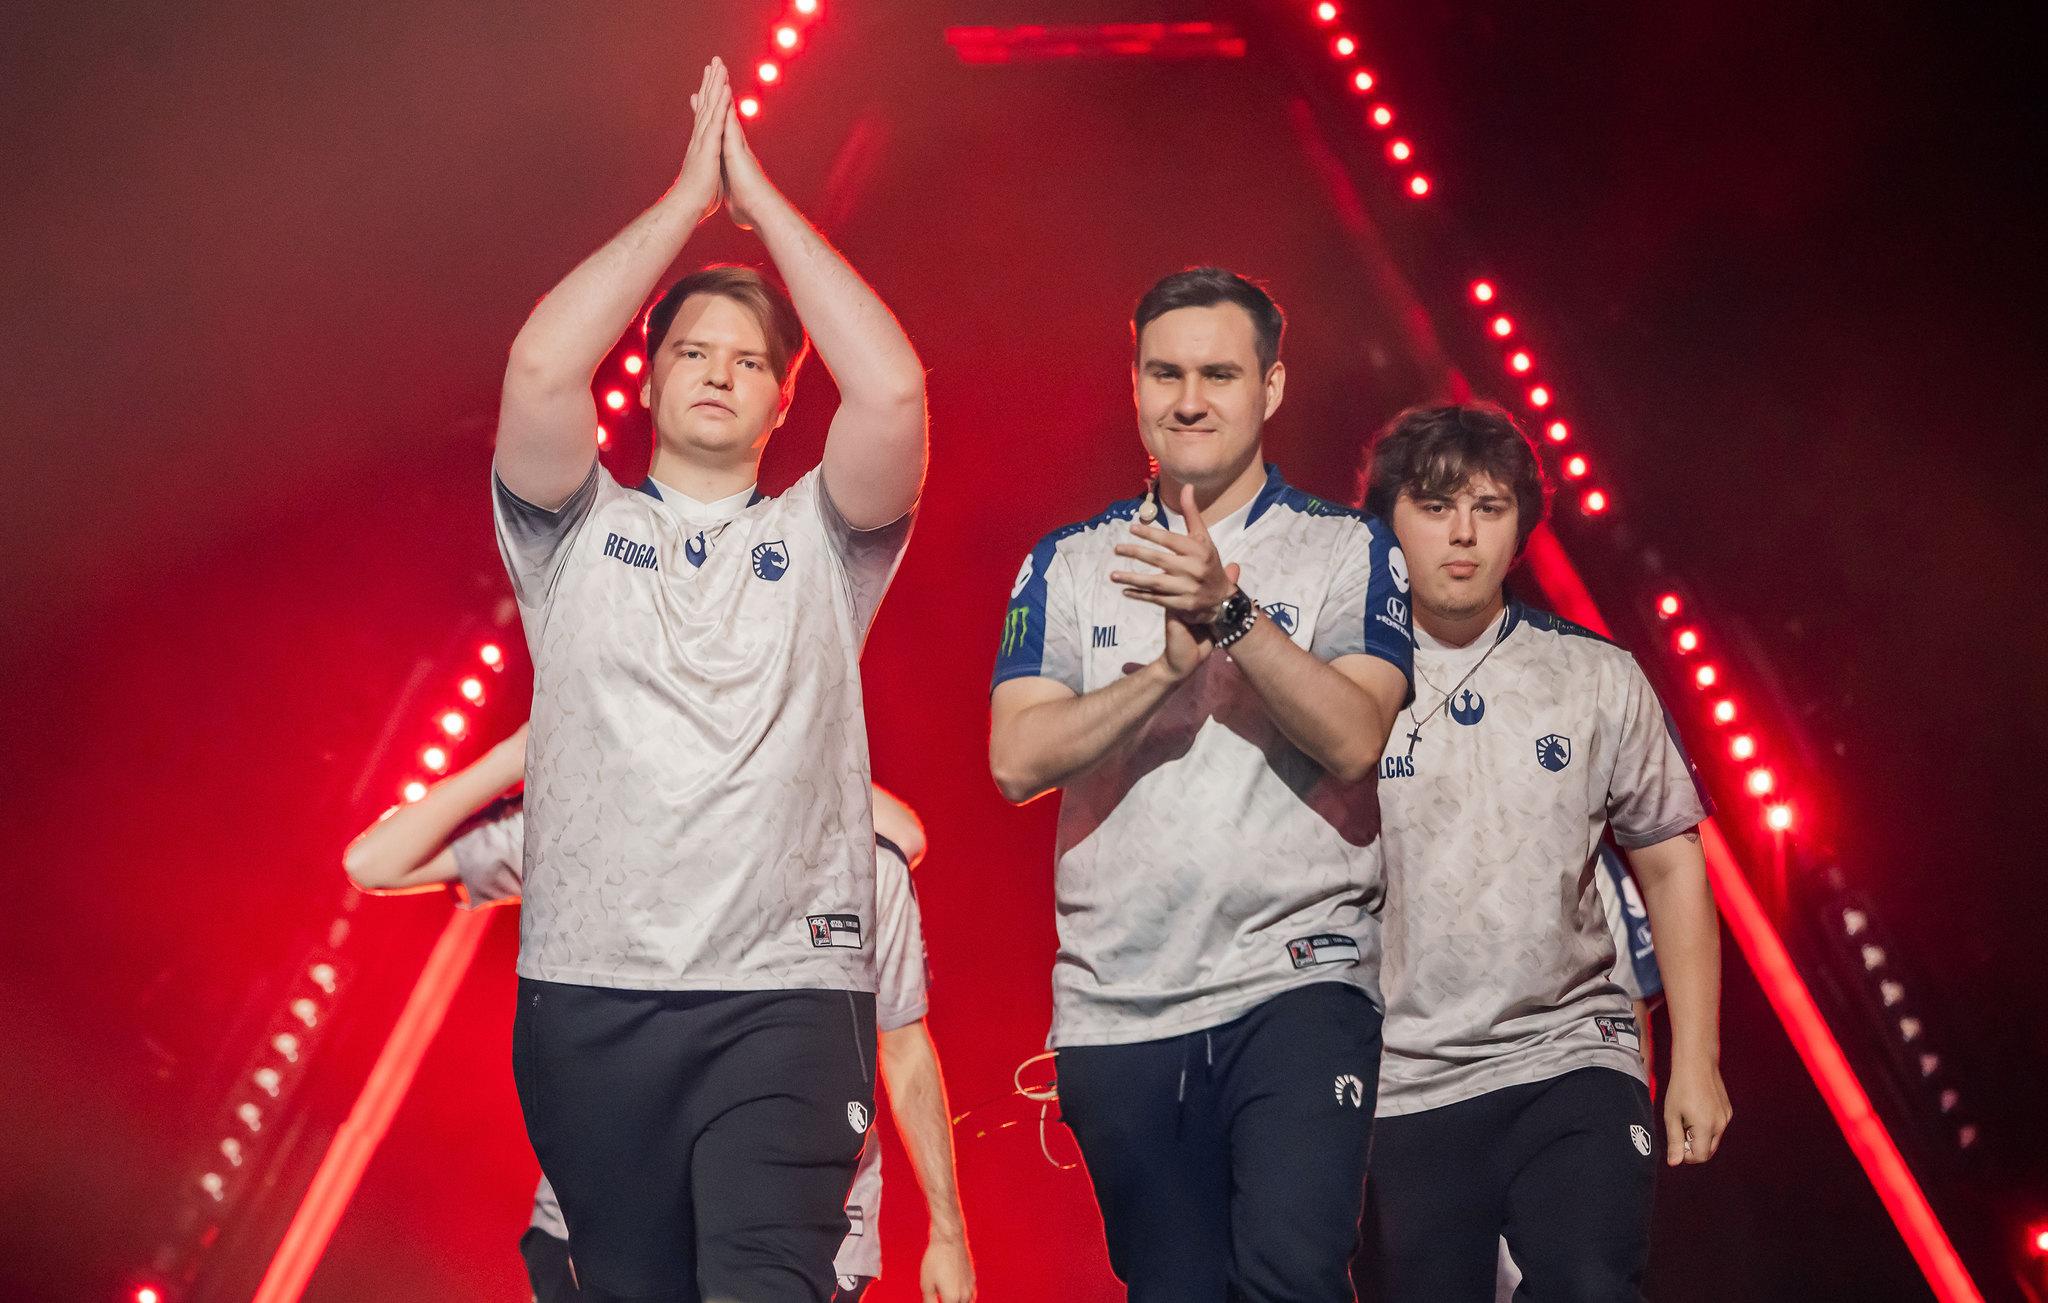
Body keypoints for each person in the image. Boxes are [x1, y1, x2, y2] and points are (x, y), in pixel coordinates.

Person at [489, 56, 926, 1302]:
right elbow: (536, 373)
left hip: (785, 992)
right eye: (692, 349)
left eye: (750, 359)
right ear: (654, 375)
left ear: (788, 397)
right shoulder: (567, 532)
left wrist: (761, 202)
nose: (720, 369)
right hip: (589, 994)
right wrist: (686, 201)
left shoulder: (821, 538)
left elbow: (892, 388)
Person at [988, 267, 1412, 1301]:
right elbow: (1014, 760)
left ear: (1269, 387)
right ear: (1132, 386)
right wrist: (1166, 674)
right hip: (1120, 1003)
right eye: (1165, 372)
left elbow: (1355, 735)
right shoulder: (1066, 563)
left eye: (1218, 373)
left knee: (1293, 1270)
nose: (1189, 398)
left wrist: (1229, 617)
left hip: (1298, 976)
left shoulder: (1346, 548)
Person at [343, 743, 974, 1303]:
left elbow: (904, 1040)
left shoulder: (856, 853)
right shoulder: (588, 820)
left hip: (804, 1228)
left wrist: (946, 1231)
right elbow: (375, 863)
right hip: (602, 1226)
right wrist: (524, 748)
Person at [1361, 403, 1732, 1302]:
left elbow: (1672, 861)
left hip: (1572, 1052)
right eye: (1435, 504)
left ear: (1522, 525)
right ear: (1386, 521)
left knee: (1588, 1284)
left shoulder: (1598, 676)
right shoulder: (1340, 688)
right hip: (1403, 1079)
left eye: (1488, 507)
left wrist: (1697, 1058)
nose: (1462, 532)